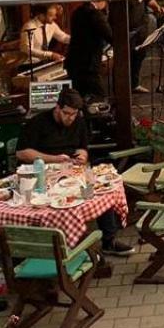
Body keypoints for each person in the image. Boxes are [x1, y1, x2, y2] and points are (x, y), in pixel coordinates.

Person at [17, 89, 131, 254]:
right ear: (57, 107)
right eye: (66, 113)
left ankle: (109, 240)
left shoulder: (78, 121)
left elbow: (83, 148)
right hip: (46, 173)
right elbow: (22, 153)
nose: (70, 117)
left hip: (73, 171)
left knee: (100, 188)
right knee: (62, 202)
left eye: (74, 114)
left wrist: (82, 157)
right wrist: (53, 159)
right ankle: (70, 244)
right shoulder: (38, 122)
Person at [65, 1, 113, 99]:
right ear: (102, 1)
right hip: (89, 64)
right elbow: (110, 36)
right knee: (99, 96)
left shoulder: (77, 11)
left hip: (74, 61)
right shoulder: (95, 15)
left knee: (78, 96)